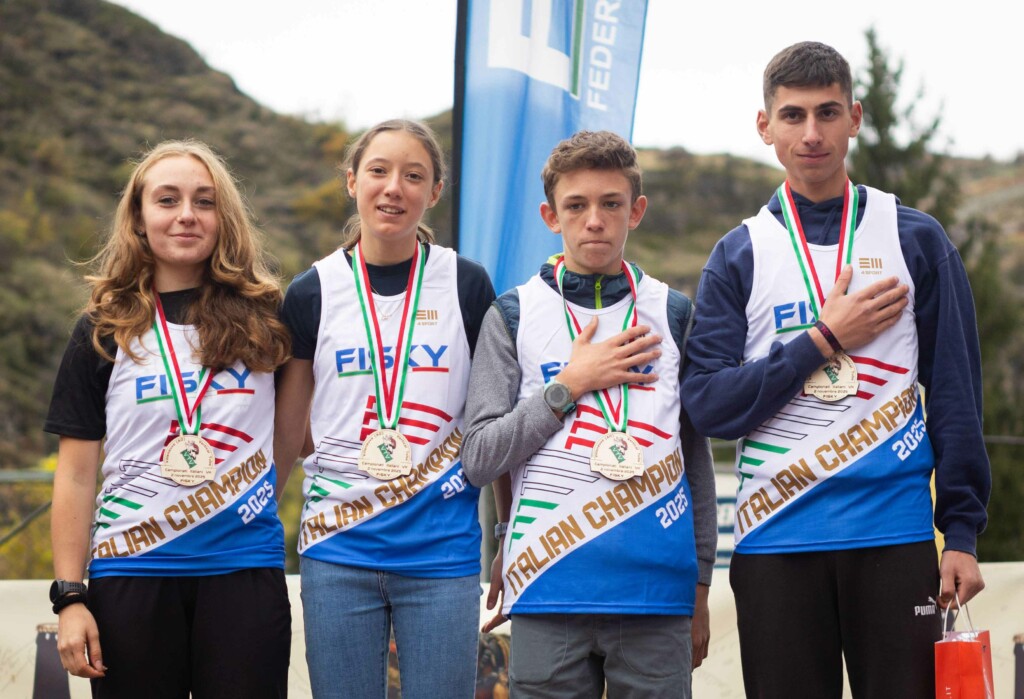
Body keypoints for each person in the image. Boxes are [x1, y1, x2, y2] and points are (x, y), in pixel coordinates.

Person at [681, 41, 991, 698]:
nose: (812, 133)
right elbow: (708, 403)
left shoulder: (916, 238)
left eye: (828, 113)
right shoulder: (737, 254)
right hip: (773, 542)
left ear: (855, 116)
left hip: (896, 536)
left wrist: (960, 532)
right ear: (764, 126)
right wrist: (824, 338)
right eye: (793, 115)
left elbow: (958, 391)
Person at [462, 130, 717, 698]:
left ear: (637, 211)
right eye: (576, 205)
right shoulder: (512, 313)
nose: (594, 220)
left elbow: (694, 460)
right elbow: (478, 457)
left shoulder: (674, 313)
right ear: (551, 215)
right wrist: (567, 388)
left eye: (611, 204)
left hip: (657, 597)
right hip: (549, 584)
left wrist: (699, 584)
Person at [45, 140, 293, 697]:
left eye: (204, 201)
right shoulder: (103, 328)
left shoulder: (267, 320)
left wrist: (244, 501)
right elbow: (77, 472)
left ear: (222, 217)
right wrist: (70, 595)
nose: (186, 214)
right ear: (138, 217)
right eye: (167, 199)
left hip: (243, 575)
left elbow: (294, 436)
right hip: (130, 575)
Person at [274, 118, 495, 699]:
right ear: (352, 181)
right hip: (337, 550)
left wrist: (512, 540)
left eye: (413, 175)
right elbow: (287, 437)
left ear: (434, 192)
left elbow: (491, 426)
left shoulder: (466, 285)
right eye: (378, 170)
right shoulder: (311, 292)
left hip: (442, 554)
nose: (393, 187)